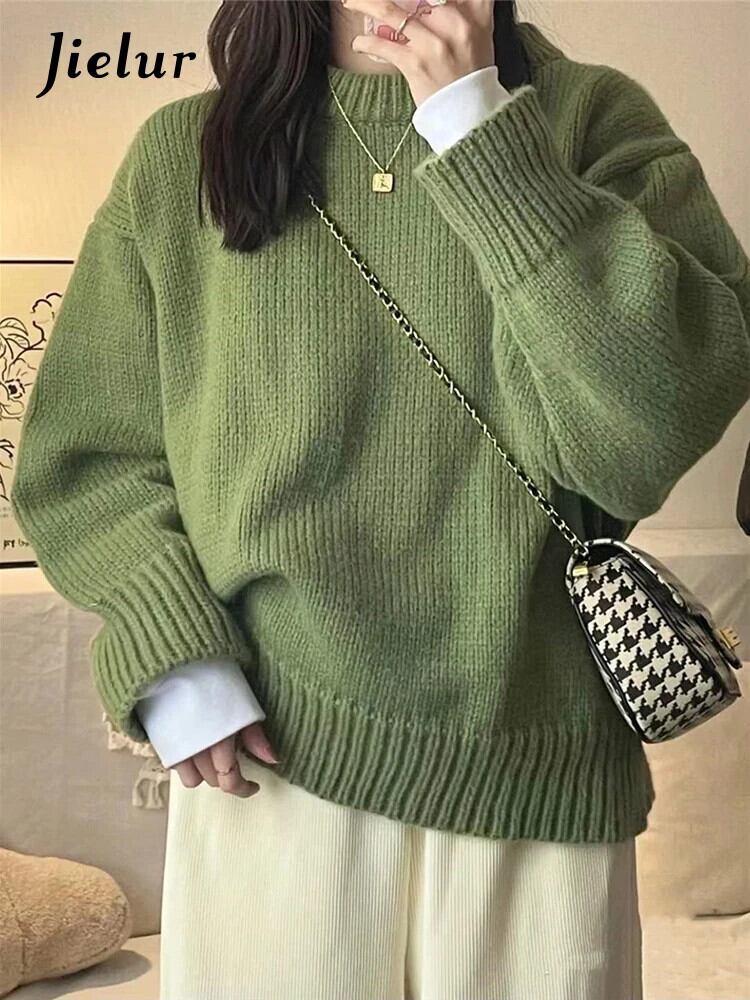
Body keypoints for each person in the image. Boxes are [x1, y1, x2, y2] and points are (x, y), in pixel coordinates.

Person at [10, 1, 750, 997]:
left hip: (538, 765)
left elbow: (646, 437)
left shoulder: (592, 121)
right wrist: (177, 656)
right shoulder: (186, 154)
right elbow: (88, 458)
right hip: (269, 753)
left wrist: (481, 131)